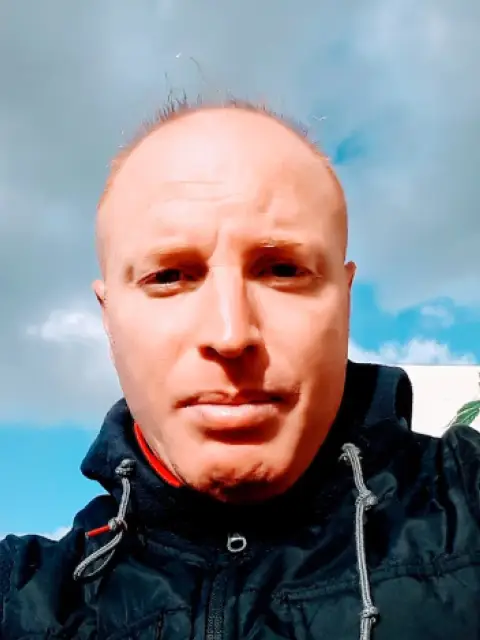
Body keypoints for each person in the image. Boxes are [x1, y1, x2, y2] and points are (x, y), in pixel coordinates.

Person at [1, 97, 479, 640]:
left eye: (282, 270)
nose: (231, 335)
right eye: (169, 276)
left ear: (345, 301)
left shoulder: (467, 498)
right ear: (109, 318)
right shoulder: (22, 598)